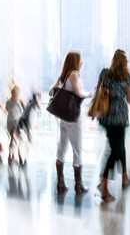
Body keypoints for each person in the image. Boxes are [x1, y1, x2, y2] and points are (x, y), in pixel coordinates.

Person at [96, 49, 130, 202]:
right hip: (120, 118)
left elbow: (98, 91)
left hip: (106, 117)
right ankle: (104, 183)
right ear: (125, 63)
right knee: (116, 150)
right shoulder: (126, 77)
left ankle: (125, 177)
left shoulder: (104, 73)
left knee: (119, 147)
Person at [49, 51, 91, 194]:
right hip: (74, 119)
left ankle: (60, 183)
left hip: (63, 118)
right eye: (80, 60)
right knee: (77, 151)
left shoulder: (64, 75)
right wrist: (89, 94)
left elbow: (51, 92)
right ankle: (78, 186)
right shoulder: (74, 74)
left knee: (62, 148)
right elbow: (79, 93)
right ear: (75, 62)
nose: (82, 63)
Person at [6, 85, 26, 164]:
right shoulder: (19, 100)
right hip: (15, 122)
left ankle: (11, 156)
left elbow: (7, 109)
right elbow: (25, 109)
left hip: (13, 121)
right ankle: (16, 156)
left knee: (14, 139)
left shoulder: (9, 100)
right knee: (15, 139)